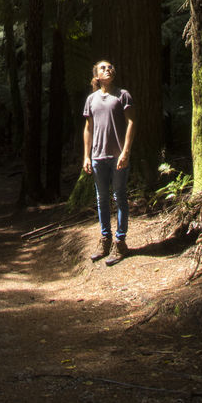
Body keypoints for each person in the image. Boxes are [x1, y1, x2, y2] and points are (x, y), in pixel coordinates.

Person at [82, 60, 135, 263]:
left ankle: (120, 242)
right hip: (97, 156)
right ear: (96, 76)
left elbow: (131, 122)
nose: (108, 69)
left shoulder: (123, 95)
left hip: (118, 156)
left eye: (111, 67)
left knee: (119, 196)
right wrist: (86, 156)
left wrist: (126, 151)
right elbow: (88, 128)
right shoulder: (91, 99)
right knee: (102, 198)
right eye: (103, 68)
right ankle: (105, 239)